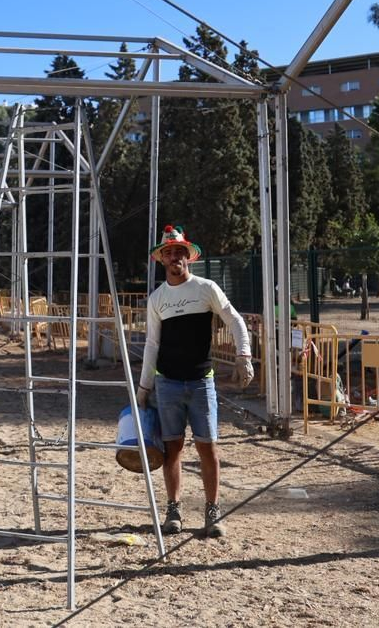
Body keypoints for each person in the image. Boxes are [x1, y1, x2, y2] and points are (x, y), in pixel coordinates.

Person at [136, 225, 253, 538]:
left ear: (188, 257)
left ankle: (212, 510)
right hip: (168, 384)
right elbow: (152, 344)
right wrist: (144, 387)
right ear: (161, 259)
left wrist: (244, 355)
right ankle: (174, 509)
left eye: (180, 252)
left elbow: (235, 320)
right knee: (172, 448)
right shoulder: (157, 299)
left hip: (202, 382)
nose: (175, 257)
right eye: (169, 252)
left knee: (208, 448)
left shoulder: (206, 289)